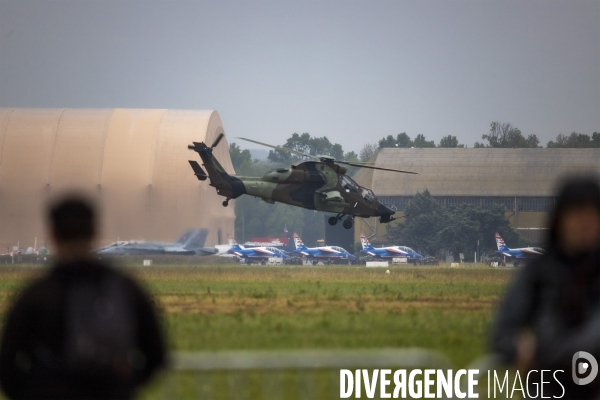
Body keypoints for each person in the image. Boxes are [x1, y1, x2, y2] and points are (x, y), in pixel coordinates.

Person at [0, 195, 166, 399]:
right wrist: (123, 386)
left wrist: (36, 391)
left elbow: (7, 360)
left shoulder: (35, 295)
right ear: (95, 232)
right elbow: (156, 354)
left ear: (52, 234)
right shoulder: (124, 289)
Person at [491, 176, 600, 399]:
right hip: (548, 388)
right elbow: (502, 333)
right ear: (560, 220)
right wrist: (518, 346)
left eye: (592, 214)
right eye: (576, 214)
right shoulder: (537, 276)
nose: (585, 222)